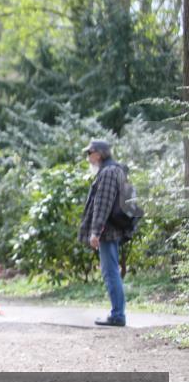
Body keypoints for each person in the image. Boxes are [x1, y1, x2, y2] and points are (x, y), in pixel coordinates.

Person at [78, 139, 127, 327]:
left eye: (89, 153)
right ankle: (118, 313)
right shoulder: (116, 169)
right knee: (111, 271)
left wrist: (95, 232)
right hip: (113, 229)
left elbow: (103, 205)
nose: (88, 157)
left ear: (98, 153)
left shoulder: (107, 173)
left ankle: (117, 315)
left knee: (110, 272)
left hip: (107, 232)